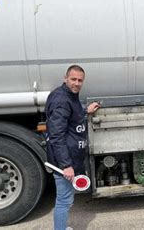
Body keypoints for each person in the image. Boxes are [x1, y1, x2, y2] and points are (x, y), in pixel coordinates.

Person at [45, 64, 100, 230]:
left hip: (69, 157)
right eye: (73, 79)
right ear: (65, 78)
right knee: (64, 200)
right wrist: (66, 165)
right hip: (65, 161)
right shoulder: (62, 100)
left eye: (80, 80)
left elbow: (72, 118)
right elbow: (56, 136)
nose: (77, 83)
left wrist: (85, 111)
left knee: (66, 199)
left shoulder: (69, 97)